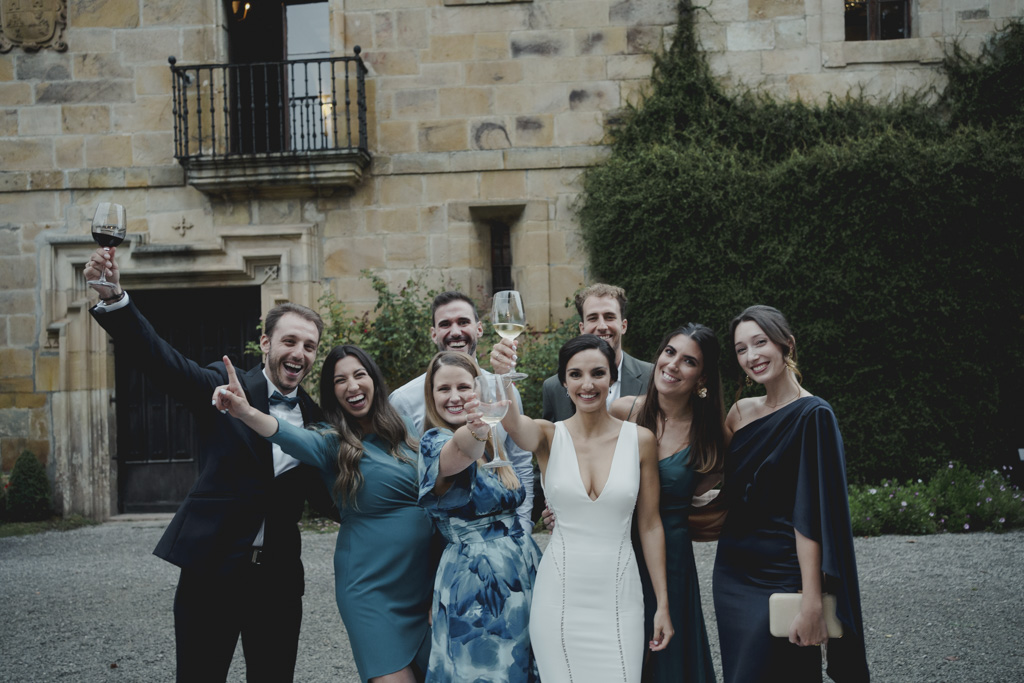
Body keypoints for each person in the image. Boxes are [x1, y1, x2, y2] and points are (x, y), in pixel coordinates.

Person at [84, 246, 332, 682]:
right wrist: (116, 301)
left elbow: (332, 498)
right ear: (266, 342)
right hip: (211, 568)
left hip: (277, 579)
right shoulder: (224, 384)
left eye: (310, 346)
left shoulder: (317, 420)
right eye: (290, 341)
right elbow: (163, 363)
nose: (300, 353)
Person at [212, 346, 433, 683]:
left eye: (359, 375)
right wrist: (245, 412)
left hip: (424, 585)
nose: (353, 386)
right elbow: (285, 434)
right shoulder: (332, 442)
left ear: (373, 379)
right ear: (332, 393)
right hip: (371, 589)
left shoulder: (406, 437)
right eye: (340, 380)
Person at [500, 334, 673, 681]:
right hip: (559, 599)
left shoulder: (640, 440)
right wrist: (503, 379)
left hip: (620, 597)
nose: (588, 384)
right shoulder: (548, 436)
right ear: (564, 381)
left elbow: (651, 525)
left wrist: (663, 604)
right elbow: (513, 426)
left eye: (598, 372)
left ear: (611, 377)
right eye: (576, 374)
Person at [712, 305, 869, 682]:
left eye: (760, 342)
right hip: (733, 571)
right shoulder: (739, 413)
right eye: (741, 349)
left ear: (787, 345)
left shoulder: (814, 415)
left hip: (783, 573)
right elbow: (720, 489)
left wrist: (811, 600)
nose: (751, 356)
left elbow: (810, 516)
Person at [416, 351, 541, 681]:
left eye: (463, 387)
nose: (454, 397)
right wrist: (475, 428)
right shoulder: (434, 442)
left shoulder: (494, 444)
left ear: (479, 390)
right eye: (444, 389)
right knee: (487, 671)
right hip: (478, 582)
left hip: (523, 570)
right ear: (431, 396)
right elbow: (461, 451)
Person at [610, 323, 724, 683]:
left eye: (688, 361)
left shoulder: (711, 435)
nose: (673, 365)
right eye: (670, 352)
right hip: (616, 553)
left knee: (668, 661)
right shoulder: (622, 411)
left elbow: (727, 489)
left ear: (702, 377)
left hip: (672, 561)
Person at [391, 291, 534, 531]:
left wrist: (524, 525)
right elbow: (400, 478)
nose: (455, 331)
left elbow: (520, 462)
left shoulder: (504, 391)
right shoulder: (403, 400)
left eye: (463, 322)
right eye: (445, 324)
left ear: (479, 329)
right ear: (433, 333)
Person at [534, 284, 654, 422]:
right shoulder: (554, 388)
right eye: (593, 318)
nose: (602, 326)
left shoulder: (651, 378)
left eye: (609, 317)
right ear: (582, 328)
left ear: (623, 326)